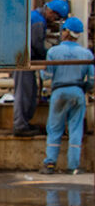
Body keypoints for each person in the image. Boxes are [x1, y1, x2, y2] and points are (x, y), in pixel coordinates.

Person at [40, 16, 93, 174]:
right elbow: (91, 79)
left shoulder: (53, 52)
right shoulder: (86, 54)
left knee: (55, 128)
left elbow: (46, 76)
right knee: (76, 129)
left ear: (65, 32)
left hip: (59, 92)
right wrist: (86, 88)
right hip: (77, 91)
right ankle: (73, 166)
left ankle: (50, 163)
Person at [13, 0, 70, 136]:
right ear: (51, 12)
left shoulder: (35, 16)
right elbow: (37, 45)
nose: (54, 20)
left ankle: (24, 123)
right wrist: (48, 56)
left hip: (22, 59)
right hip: (24, 61)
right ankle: (20, 125)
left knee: (29, 90)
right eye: (56, 17)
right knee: (24, 93)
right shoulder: (38, 22)